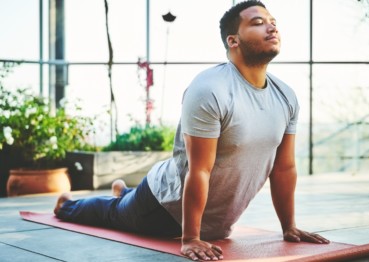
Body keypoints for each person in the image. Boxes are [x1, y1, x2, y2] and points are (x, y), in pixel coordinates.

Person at [54, 1, 330, 261]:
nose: (272, 27)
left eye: (273, 21)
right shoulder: (210, 89)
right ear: (232, 40)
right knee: (114, 214)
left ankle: (123, 191)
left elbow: (283, 168)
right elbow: (199, 169)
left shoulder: (286, 96)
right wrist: (190, 238)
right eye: (258, 23)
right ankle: (67, 205)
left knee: (125, 203)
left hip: (213, 219)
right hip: (164, 206)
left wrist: (289, 227)